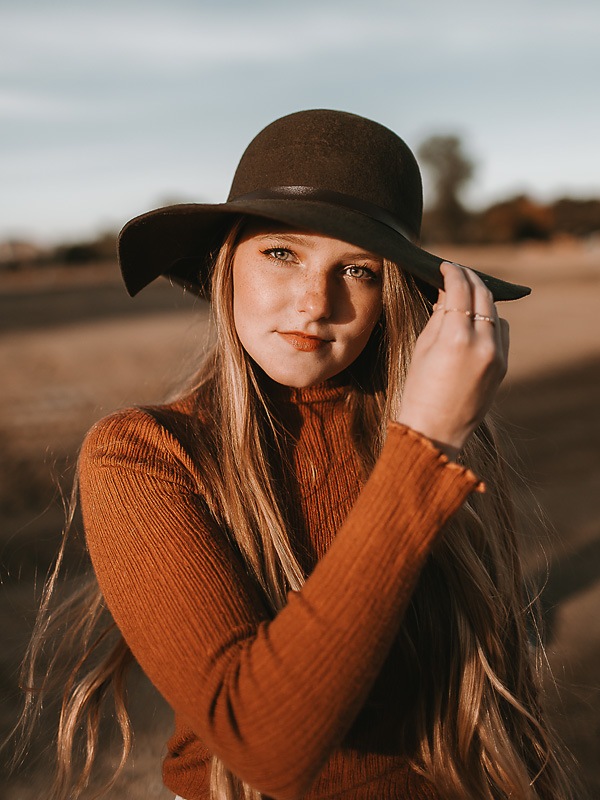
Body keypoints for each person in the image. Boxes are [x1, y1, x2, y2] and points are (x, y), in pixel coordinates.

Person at [17, 110, 576, 800]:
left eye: (359, 269)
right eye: (281, 253)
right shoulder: (145, 454)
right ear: (226, 265)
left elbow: (491, 706)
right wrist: (425, 446)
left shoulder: (429, 444)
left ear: (392, 296)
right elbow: (267, 745)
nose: (316, 303)